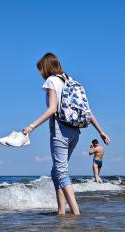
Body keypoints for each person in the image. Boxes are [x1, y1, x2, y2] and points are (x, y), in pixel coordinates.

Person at [22, 52, 110, 216]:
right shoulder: (72, 81)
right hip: (75, 132)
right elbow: (88, 112)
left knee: (61, 172)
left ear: (46, 67)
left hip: (60, 129)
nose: (41, 73)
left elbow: (52, 109)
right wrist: (101, 131)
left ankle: (76, 213)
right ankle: (61, 212)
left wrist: (31, 127)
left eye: (41, 69)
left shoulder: (51, 80)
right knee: (57, 172)